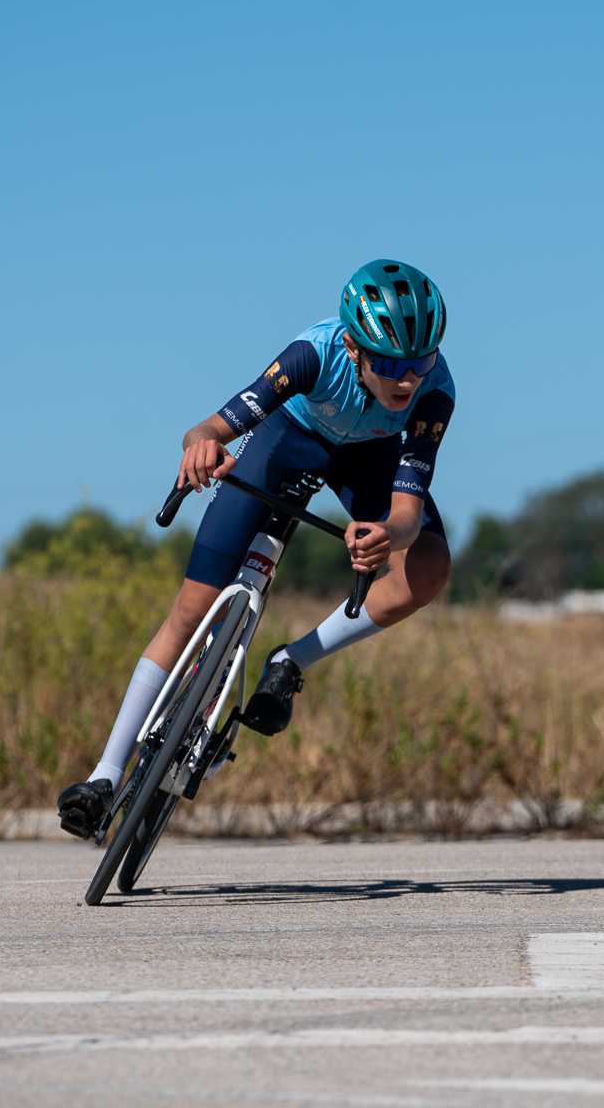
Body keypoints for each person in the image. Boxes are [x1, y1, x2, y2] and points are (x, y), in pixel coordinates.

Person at [56, 259, 457, 838]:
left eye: (419, 364)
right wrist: (200, 449)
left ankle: (290, 660)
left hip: (370, 459)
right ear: (352, 347)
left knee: (430, 569)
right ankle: (105, 774)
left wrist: (385, 538)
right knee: (192, 609)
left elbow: (408, 510)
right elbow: (209, 430)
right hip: (287, 441)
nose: (406, 380)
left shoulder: (434, 392)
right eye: (391, 364)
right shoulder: (311, 356)